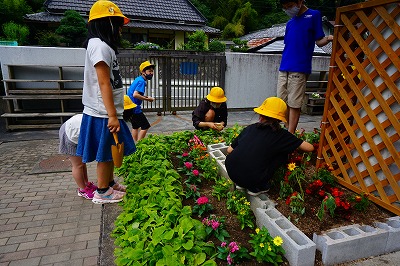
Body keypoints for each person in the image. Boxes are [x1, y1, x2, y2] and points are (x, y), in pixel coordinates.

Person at [77, 0, 136, 204]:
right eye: (118, 24)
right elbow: (104, 84)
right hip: (103, 112)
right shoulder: (100, 47)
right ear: (107, 23)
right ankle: (102, 192)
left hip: (108, 111)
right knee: (105, 152)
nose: (121, 29)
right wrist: (112, 115)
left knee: (111, 149)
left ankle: (109, 184)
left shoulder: (103, 46)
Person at [225, 97, 314, 196]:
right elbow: (310, 148)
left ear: (260, 116)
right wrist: (292, 140)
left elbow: (229, 150)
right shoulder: (282, 135)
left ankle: (241, 183)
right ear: (280, 120)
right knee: (282, 154)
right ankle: (257, 187)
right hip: (253, 179)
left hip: (232, 171)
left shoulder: (250, 128)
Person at [277, 0, 333, 133]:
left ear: (299, 2)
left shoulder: (313, 15)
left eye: (289, 6)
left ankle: (289, 135)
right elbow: (289, 44)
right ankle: (284, 130)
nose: (288, 9)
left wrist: (330, 38)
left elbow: (319, 41)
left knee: (294, 103)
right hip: (284, 66)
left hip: (300, 67)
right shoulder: (290, 23)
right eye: (285, 7)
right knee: (281, 102)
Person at [59, 114, 97, 200]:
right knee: (77, 165)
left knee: (82, 163)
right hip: (69, 133)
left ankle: (86, 184)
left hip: (77, 130)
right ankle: (82, 190)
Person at [127, 60, 155, 142]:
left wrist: (146, 96)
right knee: (145, 126)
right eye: (149, 71)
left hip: (130, 108)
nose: (151, 73)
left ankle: (134, 145)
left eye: (152, 71)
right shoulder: (142, 81)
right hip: (135, 108)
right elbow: (135, 95)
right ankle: (139, 145)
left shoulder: (138, 79)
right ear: (143, 72)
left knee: (135, 127)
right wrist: (148, 99)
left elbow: (136, 93)